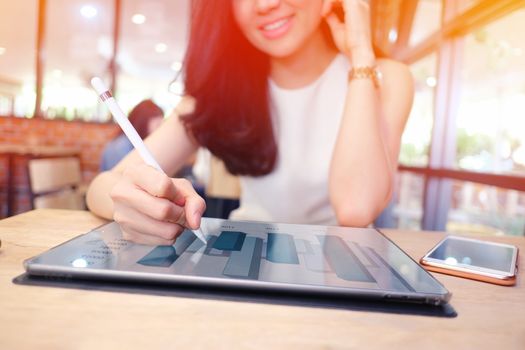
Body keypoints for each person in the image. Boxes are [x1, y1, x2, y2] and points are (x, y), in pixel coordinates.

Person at [86, 0, 414, 246]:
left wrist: (360, 54)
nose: (265, 4)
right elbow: (102, 187)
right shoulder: (222, 93)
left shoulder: (385, 77)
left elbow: (356, 210)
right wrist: (132, 202)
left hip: (342, 277)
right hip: (246, 259)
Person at [99, 99, 164, 171]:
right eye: (158, 125)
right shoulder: (121, 147)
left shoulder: (136, 144)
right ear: (143, 123)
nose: (160, 130)